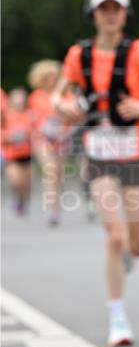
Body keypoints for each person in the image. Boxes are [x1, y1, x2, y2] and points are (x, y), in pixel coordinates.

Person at [52, 0, 139, 347]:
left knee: (136, 244)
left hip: (134, 148)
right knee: (116, 234)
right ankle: (118, 317)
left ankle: (128, 256)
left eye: (116, 9)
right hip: (98, 149)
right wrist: (65, 107)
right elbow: (57, 96)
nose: (110, 15)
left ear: (125, 13)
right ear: (93, 14)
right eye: (103, 9)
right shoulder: (79, 54)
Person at [28, 60, 73, 226]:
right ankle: (52, 208)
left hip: (63, 137)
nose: (52, 79)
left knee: (59, 174)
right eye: (48, 77)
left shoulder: (66, 95)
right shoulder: (36, 96)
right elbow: (33, 119)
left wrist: (64, 126)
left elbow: (74, 115)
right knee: (50, 171)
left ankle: (57, 200)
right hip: (43, 139)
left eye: (55, 76)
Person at [2, 88, 34, 215]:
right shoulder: (5, 115)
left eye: (22, 100)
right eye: (17, 100)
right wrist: (8, 137)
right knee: (16, 180)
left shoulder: (30, 114)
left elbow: (36, 130)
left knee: (26, 182)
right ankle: (16, 198)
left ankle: (23, 202)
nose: (20, 103)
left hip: (27, 153)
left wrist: (28, 135)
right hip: (11, 154)